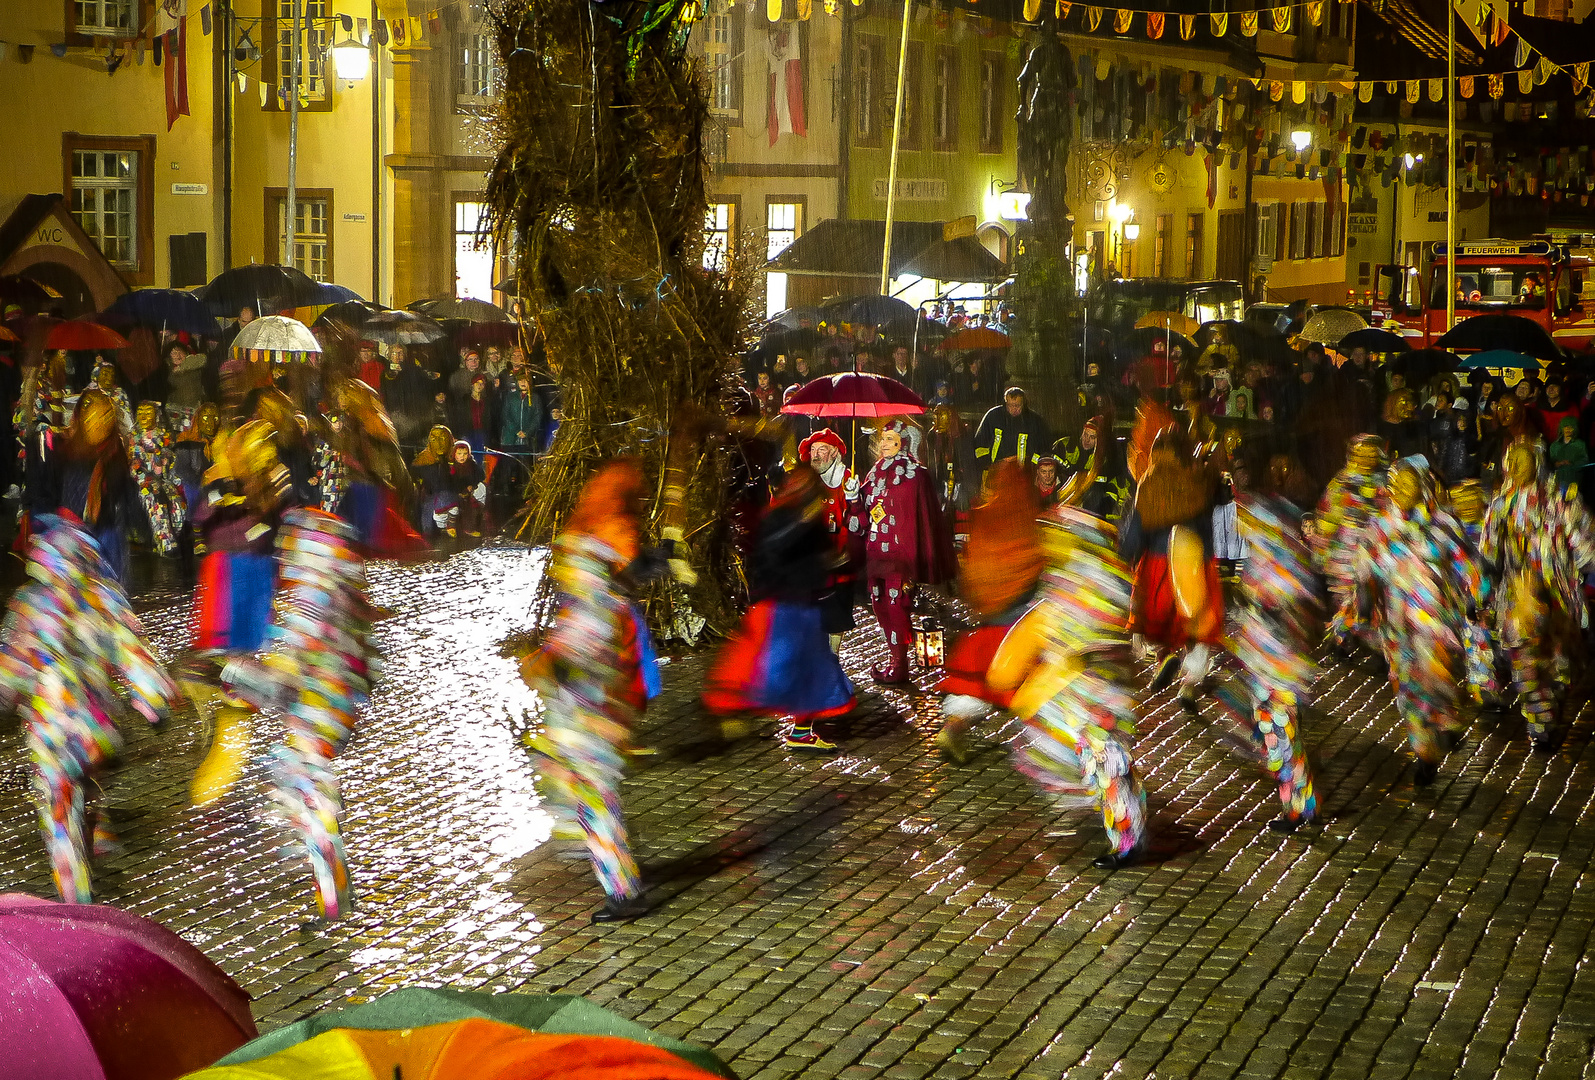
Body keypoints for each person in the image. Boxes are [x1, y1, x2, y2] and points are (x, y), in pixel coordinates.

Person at [517, 461, 671, 923]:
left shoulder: (589, 584)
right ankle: (620, 880)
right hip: (599, 706)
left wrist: (544, 662)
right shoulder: (605, 583)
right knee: (593, 793)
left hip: (589, 709)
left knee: (593, 796)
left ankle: (623, 892)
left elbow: (578, 642)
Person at [0, 516, 175, 903]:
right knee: (92, 777)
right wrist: (153, 699)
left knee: (59, 815)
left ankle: (76, 899)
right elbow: (133, 653)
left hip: (52, 737)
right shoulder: (103, 597)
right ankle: (98, 829)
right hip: (97, 730)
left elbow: (11, 670)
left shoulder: (30, 606)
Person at [215, 507, 376, 922]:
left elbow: (290, 666)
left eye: (290, 547)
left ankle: (333, 895)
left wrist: (237, 674)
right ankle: (333, 879)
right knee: (305, 781)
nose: (283, 555)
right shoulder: (339, 593)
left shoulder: (311, 599)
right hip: (334, 707)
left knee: (302, 787)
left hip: (315, 710)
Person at [987, 507, 1149, 869]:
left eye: (1056, 537)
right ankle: (1128, 823)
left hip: (1092, 699)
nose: (1050, 544)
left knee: (1104, 766)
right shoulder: (1101, 582)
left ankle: (1127, 842)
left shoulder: (1080, 587)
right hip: (1098, 696)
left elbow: (1072, 640)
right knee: (1109, 768)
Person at [703, 465, 857, 751]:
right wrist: (802, 524)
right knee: (767, 668)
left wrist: (838, 561)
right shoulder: (779, 515)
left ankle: (801, 730)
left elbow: (824, 555)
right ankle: (733, 710)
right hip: (778, 606)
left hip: (805, 606)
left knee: (812, 669)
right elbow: (773, 551)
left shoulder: (813, 519)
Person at [1354, 456, 1481, 785]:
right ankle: (1424, 753)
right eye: (1397, 484)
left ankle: (1447, 722)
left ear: (1423, 485)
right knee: (1409, 688)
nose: (1401, 490)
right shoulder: (1380, 527)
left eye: (1409, 484)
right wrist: (1365, 607)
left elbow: (1467, 563)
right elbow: (1365, 569)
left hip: (1436, 622)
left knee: (1437, 677)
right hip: (1398, 626)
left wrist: (1474, 598)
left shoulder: (1442, 524)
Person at [1478, 437, 1595, 752]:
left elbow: (1584, 547)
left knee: (1560, 662)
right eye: (1510, 460)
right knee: (1525, 657)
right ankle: (1539, 722)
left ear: (1536, 462)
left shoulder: (1559, 501)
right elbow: (1488, 554)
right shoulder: (1501, 506)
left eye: (1521, 459)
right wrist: (1485, 589)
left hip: (1557, 594)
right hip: (1520, 595)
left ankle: (1550, 701)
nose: (1514, 466)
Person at [1215, 488, 1321, 833]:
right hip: (1266, 664)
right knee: (1279, 736)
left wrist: (1260, 609)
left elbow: (1286, 607)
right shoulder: (1263, 555)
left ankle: (1300, 808)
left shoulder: (1279, 560)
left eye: (1246, 518)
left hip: (1277, 667)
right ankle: (1298, 804)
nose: (1240, 525)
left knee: (1281, 734)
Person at [936, 460, 1044, 764]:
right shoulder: (1028, 517)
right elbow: (1036, 561)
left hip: (988, 618)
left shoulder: (983, 515)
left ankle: (952, 730)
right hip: (1019, 622)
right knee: (1034, 683)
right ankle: (1047, 747)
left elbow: (973, 563)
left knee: (975, 684)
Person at [1120, 427, 1223, 711]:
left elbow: (1135, 532)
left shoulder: (1149, 482)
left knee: (1158, 624)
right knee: (1195, 626)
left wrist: (1126, 555)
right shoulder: (1195, 480)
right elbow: (1207, 525)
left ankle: (1164, 656)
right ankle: (1189, 683)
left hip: (1156, 566)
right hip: (1191, 561)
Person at [857, 419, 955, 684]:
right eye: (882, 439)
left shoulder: (915, 474)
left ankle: (900, 665)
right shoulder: (876, 471)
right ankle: (893, 657)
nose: (883, 444)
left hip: (900, 557)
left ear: (903, 442)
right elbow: (865, 509)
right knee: (879, 606)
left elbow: (916, 519)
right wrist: (855, 495)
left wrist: (913, 562)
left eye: (890, 439)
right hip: (876, 553)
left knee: (896, 605)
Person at [1314, 434, 1388, 654]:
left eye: (1370, 454)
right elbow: (1328, 516)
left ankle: (1369, 640)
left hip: (1374, 550)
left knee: (1371, 598)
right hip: (1345, 552)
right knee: (1346, 597)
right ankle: (1342, 639)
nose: (1366, 459)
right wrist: (1322, 548)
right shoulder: (1342, 482)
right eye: (1361, 454)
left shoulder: (1383, 483)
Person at [56, 390, 134, 584]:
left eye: (106, 416)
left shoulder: (114, 452)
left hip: (107, 535)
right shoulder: (68, 451)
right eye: (94, 417)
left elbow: (120, 493)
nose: (100, 424)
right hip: (74, 536)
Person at [796, 428, 860, 651]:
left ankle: (833, 657)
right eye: (812, 450)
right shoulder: (806, 481)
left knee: (835, 614)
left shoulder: (846, 480)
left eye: (821, 450)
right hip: (811, 560)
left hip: (837, 561)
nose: (815, 455)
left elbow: (857, 521)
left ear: (834, 453)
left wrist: (854, 502)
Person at [128, 402, 186, 556]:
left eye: (148, 413)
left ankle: (175, 535)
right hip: (142, 483)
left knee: (177, 502)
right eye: (140, 413)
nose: (144, 417)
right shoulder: (134, 438)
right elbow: (134, 466)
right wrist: (148, 479)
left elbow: (171, 462)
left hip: (164, 479)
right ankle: (165, 542)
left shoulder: (163, 436)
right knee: (155, 500)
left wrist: (173, 478)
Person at [973, 387, 1052, 476]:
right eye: (1010, 405)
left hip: (1024, 475)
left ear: (1024, 404)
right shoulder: (993, 416)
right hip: (996, 473)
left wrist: (1032, 467)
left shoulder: (1035, 421)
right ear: (1005, 403)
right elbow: (980, 443)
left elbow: (1043, 447)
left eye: (1017, 405)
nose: (1014, 409)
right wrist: (987, 465)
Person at [1548, 415, 1589, 489]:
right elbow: (1549, 463)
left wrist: (1572, 464)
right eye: (1565, 427)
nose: (1568, 429)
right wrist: (1555, 464)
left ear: (1575, 429)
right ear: (1562, 428)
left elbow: (1584, 461)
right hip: (1557, 482)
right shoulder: (1554, 446)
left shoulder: (1580, 445)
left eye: (1571, 427)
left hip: (1574, 483)